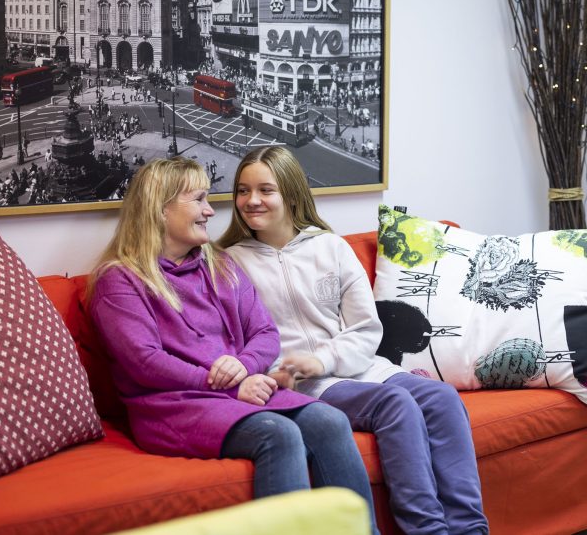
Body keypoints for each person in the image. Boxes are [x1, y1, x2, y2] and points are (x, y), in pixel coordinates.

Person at [86, 157, 377, 527]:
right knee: (279, 434)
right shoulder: (120, 280)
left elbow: (265, 334)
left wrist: (246, 366)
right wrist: (230, 381)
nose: (210, 211)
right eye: (199, 200)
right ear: (160, 210)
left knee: (329, 421)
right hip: (173, 405)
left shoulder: (220, 265)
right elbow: (144, 361)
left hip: (235, 390)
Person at [219, 146, 488, 535]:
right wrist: (294, 368)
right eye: (243, 191)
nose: (252, 200)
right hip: (305, 386)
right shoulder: (229, 263)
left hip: (363, 367)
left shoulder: (331, 247)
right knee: (395, 404)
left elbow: (366, 328)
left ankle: (469, 530)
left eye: (265, 189)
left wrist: (325, 357)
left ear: (292, 194)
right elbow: (232, 340)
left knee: (443, 398)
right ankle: (428, 530)